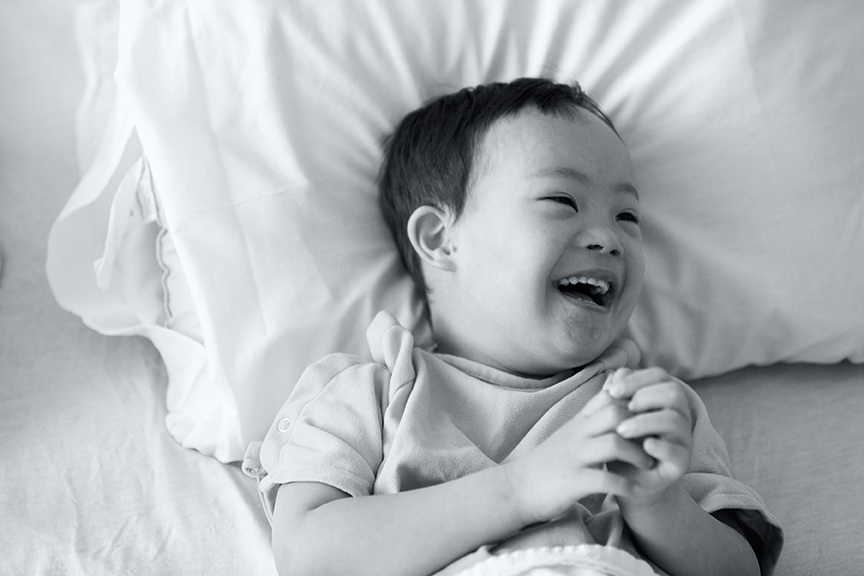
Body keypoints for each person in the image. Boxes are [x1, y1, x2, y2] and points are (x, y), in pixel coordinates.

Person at [245, 78, 783, 576]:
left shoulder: (651, 408)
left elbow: (740, 569)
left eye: (627, 216)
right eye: (562, 201)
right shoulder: (366, 394)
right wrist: (520, 489)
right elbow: (308, 552)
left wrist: (656, 503)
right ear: (440, 239)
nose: (609, 238)